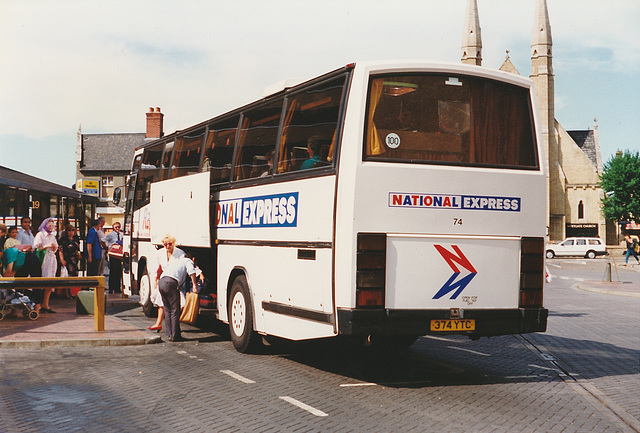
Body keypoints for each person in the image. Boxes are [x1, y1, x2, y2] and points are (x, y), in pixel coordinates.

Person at [157, 236, 198, 342]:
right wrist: (194, 284)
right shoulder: (188, 261)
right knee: (175, 310)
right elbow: (192, 272)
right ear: (193, 259)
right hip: (170, 282)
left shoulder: (177, 262)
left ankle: (169, 334)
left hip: (161, 282)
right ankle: (175, 335)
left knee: (167, 309)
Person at [33, 217, 58, 313]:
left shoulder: (52, 236)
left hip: (51, 258)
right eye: (49, 225)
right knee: (42, 280)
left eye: (52, 225)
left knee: (50, 281)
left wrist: (54, 247)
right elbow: (36, 248)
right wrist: (45, 246)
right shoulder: (40, 235)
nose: (51, 227)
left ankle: (46, 304)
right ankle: (37, 304)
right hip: (43, 259)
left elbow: (55, 247)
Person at [58, 225, 81, 298]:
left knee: (74, 276)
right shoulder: (63, 240)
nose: (71, 232)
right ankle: (66, 292)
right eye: (69, 230)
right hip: (67, 259)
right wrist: (62, 259)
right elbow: (60, 250)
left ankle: (71, 292)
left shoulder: (75, 239)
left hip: (74, 260)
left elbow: (78, 249)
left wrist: (79, 255)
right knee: (67, 276)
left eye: (73, 230)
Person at [104, 222, 123, 294]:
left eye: (118, 227)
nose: (117, 228)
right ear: (113, 228)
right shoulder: (111, 234)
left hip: (119, 254)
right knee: (113, 272)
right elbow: (103, 240)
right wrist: (107, 248)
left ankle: (117, 288)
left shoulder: (121, 234)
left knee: (119, 272)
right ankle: (111, 289)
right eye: (116, 227)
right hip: (113, 254)